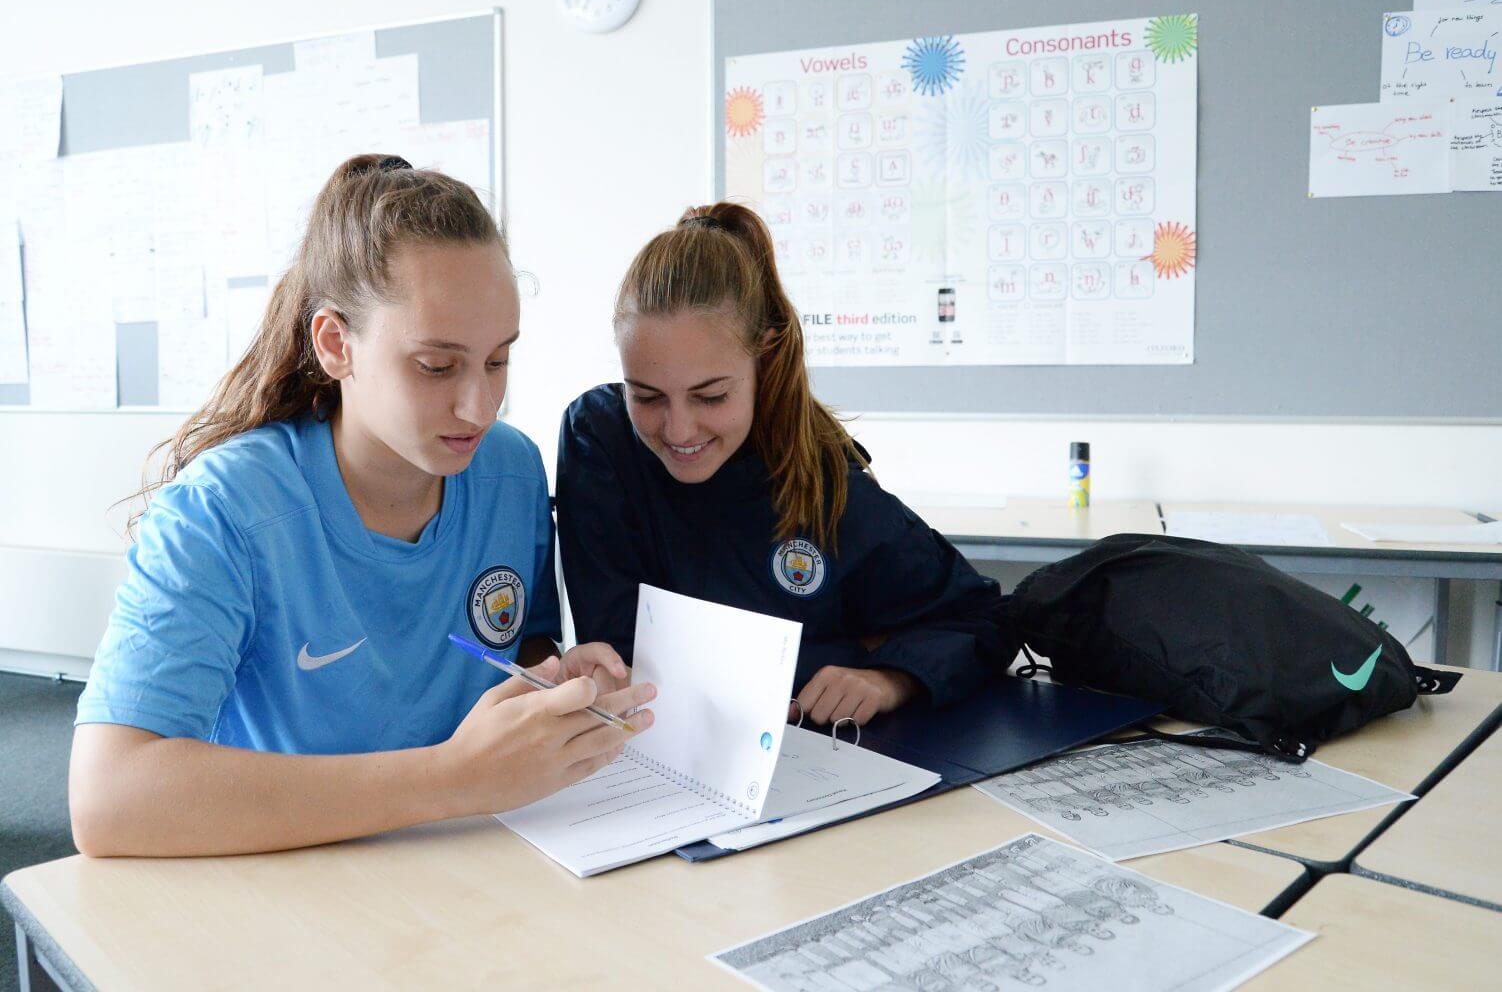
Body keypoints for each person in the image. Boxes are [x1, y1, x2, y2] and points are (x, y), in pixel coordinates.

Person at [70, 155, 654, 858]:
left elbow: (515, 646)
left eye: (498, 360)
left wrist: (554, 683)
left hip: (468, 866)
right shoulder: (222, 510)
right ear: (335, 344)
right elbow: (107, 800)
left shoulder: (510, 469)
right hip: (287, 885)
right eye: (436, 367)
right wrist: (453, 778)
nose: (480, 405)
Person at [556, 201, 1016, 729]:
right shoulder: (601, 438)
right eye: (647, 396)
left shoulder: (824, 484)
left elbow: (983, 619)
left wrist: (891, 677)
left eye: (711, 397)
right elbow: (618, 643)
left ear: (764, 359)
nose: (679, 430)